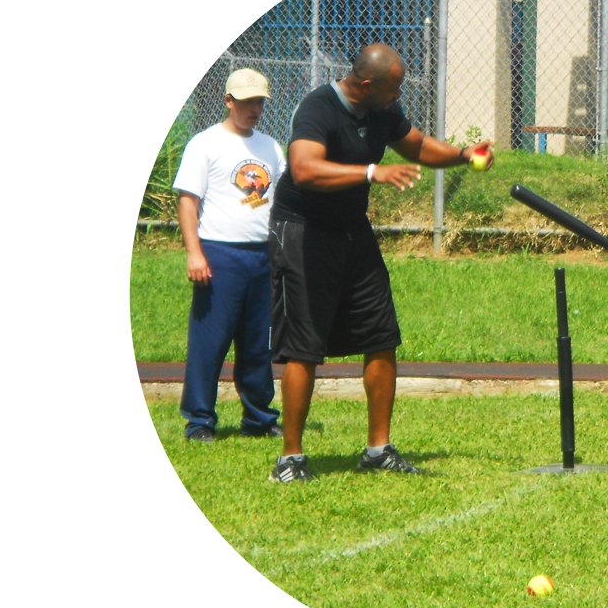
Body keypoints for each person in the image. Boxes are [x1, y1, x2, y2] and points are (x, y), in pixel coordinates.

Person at [266, 43, 494, 484]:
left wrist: (464, 154)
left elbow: (418, 146)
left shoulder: (381, 109)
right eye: (393, 88)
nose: (398, 96)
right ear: (366, 84)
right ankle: (290, 459)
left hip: (353, 230)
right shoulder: (318, 108)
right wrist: (373, 172)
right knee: (304, 346)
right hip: (303, 232)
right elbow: (305, 168)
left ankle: (378, 450)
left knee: (381, 334)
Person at [172, 68, 286, 442]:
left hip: (262, 255)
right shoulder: (205, 144)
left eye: (259, 102)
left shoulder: (271, 147)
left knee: (258, 343)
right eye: (247, 102)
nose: (254, 109)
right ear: (228, 101)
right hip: (220, 254)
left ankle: (259, 417)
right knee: (210, 341)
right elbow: (188, 201)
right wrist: (195, 253)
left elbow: (280, 198)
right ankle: (199, 420)